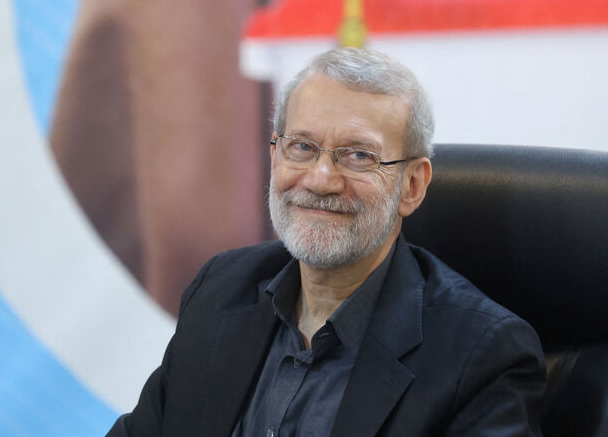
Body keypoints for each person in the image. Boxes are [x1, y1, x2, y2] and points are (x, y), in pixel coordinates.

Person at [106, 47, 547, 437]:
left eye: (359, 156)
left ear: (412, 186)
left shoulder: (482, 357)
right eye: (302, 147)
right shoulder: (221, 289)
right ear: (275, 156)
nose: (321, 179)